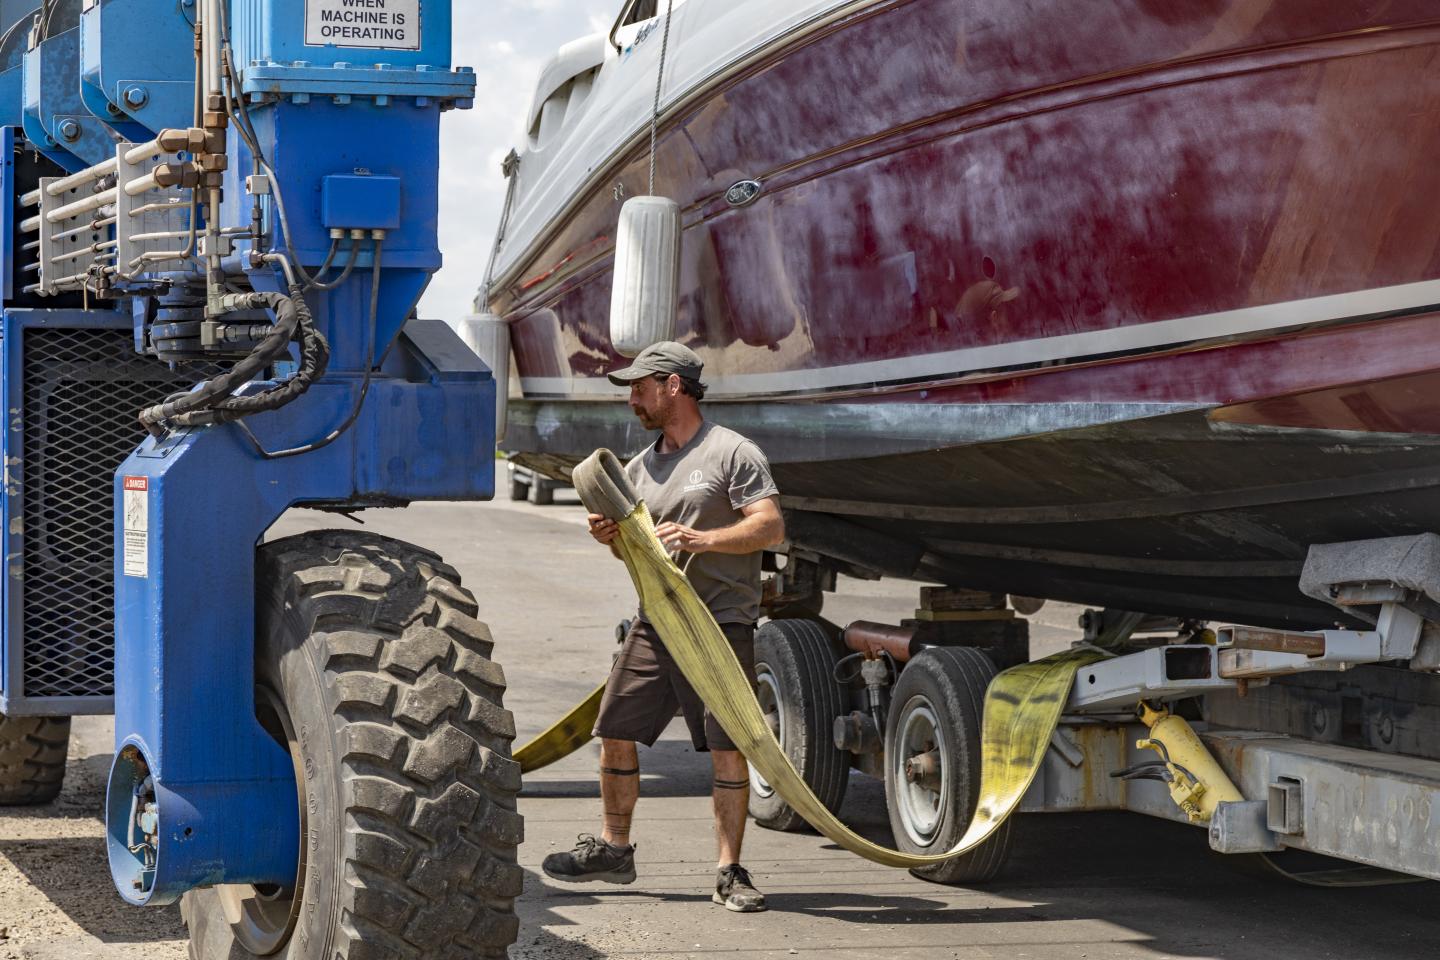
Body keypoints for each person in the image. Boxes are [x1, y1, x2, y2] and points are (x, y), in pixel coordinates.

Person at [541, 341, 785, 913]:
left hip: (719, 623)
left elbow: (771, 526)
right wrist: (611, 539)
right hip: (657, 621)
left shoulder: (732, 452)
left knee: (728, 749)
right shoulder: (636, 470)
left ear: (673, 386)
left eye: (639, 387)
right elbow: (634, 553)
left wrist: (705, 539)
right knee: (614, 730)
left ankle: (730, 872)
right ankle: (614, 849)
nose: (632, 399)